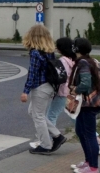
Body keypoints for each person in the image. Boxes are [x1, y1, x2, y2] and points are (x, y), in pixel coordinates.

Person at [21, 25, 66, 155]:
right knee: (33, 112)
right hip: (50, 87)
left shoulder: (35, 52)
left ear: (32, 36)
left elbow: (32, 73)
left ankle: (46, 145)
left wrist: (25, 91)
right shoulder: (49, 51)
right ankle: (57, 136)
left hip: (40, 87)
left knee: (38, 116)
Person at [69, 38, 100, 173]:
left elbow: (86, 83)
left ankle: (93, 167)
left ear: (76, 49)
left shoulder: (82, 63)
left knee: (88, 134)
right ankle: (88, 162)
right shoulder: (91, 60)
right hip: (91, 102)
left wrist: (76, 89)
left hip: (88, 103)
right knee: (81, 131)